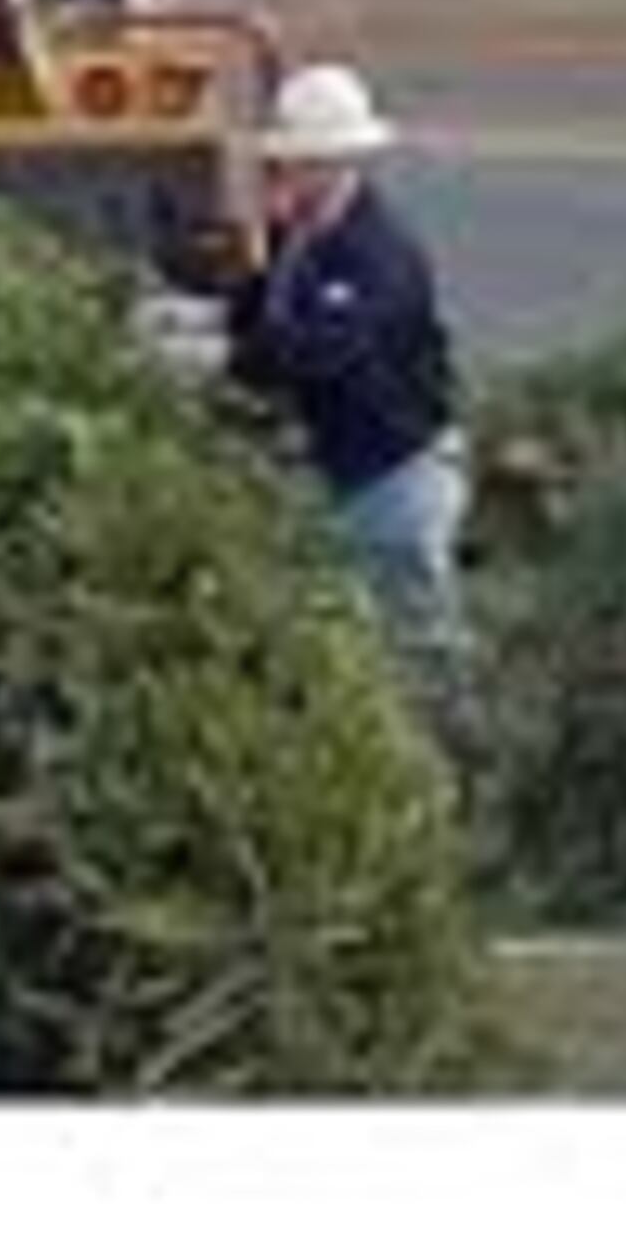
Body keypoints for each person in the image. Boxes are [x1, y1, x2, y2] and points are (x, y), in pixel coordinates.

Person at [223, 62, 474, 755]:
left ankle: (460, 770)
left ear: (337, 164)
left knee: (420, 645)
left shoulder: (376, 254)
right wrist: (248, 276)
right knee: (366, 636)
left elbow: (313, 353)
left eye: (298, 165)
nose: (286, 178)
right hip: (349, 472)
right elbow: (262, 322)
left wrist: (239, 358)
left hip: (397, 473)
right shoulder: (307, 240)